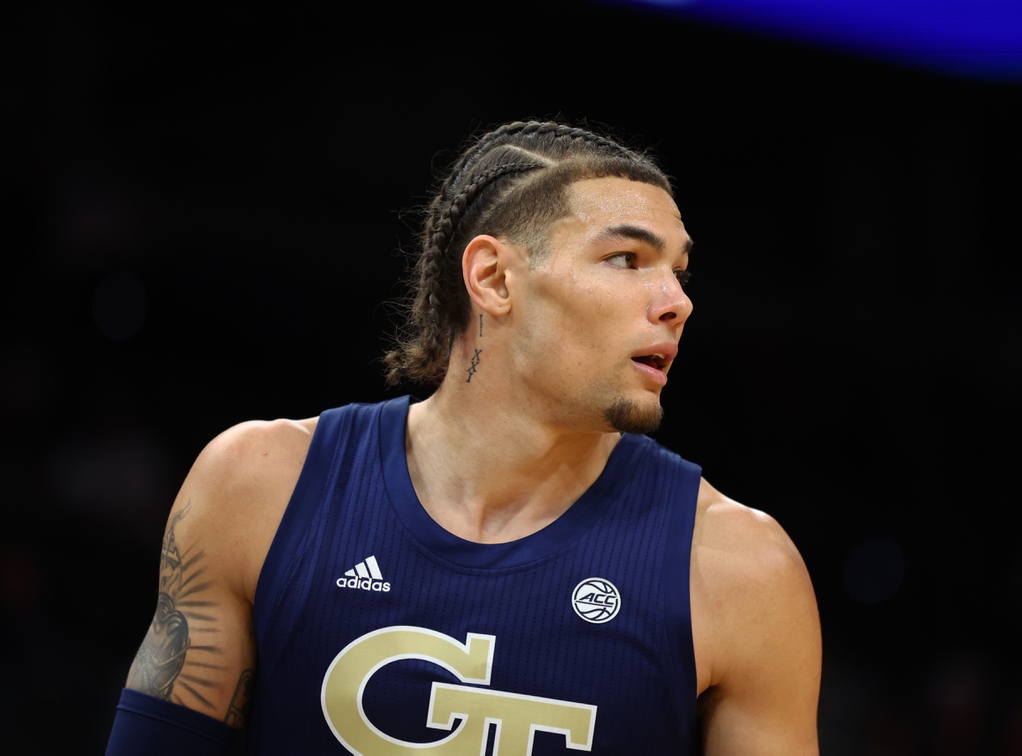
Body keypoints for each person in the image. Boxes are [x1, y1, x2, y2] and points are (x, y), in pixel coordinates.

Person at [106, 120, 821, 755]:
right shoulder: (260, 485)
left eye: (680, 271)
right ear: (493, 277)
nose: (678, 302)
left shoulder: (739, 568)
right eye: (627, 260)